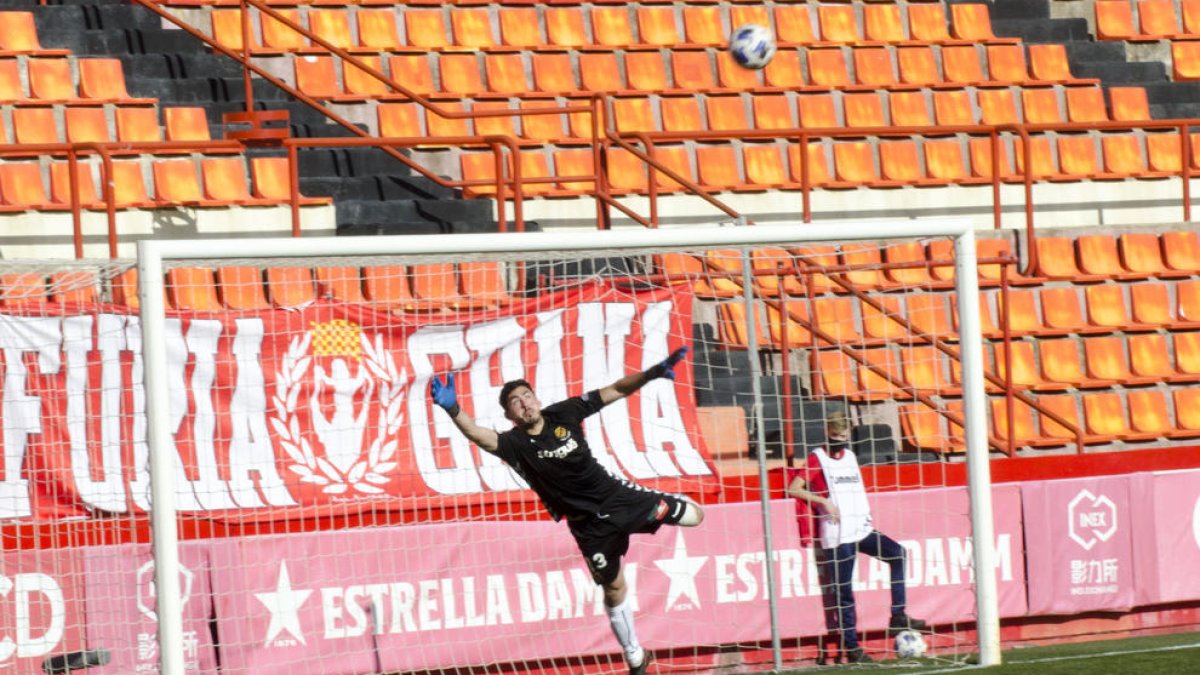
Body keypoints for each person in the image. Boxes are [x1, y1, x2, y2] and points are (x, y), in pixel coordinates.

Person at [429, 346, 703, 675]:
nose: (524, 402)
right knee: (613, 587)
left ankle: (661, 503)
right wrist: (453, 409)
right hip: (588, 527)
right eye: (515, 401)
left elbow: (615, 389)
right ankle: (634, 656)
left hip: (619, 498)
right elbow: (478, 435)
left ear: (537, 399)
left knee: (695, 517)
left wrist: (652, 373)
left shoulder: (565, 413)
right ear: (510, 416)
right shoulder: (514, 445)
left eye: (527, 395)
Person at [786, 411, 926, 663]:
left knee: (898, 554)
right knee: (845, 593)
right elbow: (793, 488)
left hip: (860, 529)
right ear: (828, 432)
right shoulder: (817, 458)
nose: (840, 438)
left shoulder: (850, 456)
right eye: (836, 434)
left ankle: (897, 615)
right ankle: (852, 648)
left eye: (844, 434)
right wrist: (822, 501)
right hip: (837, 534)